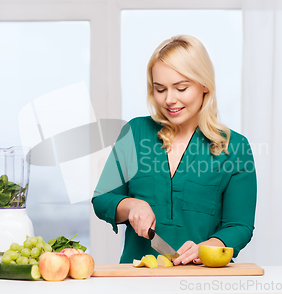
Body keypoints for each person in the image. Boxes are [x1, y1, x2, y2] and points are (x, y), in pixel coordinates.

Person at [92, 35, 257, 265]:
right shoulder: (136, 132)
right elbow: (102, 200)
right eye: (160, 89)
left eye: (181, 88)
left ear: (205, 85)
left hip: (202, 281)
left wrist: (211, 245)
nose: (170, 99)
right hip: (137, 279)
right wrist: (131, 205)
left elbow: (240, 226)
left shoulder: (235, 147)